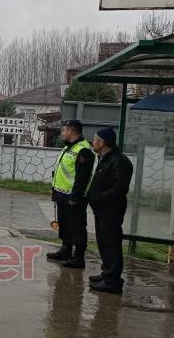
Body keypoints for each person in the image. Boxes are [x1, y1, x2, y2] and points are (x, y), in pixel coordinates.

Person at [87, 127, 134, 294]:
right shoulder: (104, 158)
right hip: (101, 209)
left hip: (111, 210)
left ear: (102, 142)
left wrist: (98, 198)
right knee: (103, 242)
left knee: (111, 244)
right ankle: (106, 273)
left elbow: (119, 189)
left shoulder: (119, 161)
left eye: (95, 139)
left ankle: (113, 281)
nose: (93, 142)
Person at [49, 119, 95, 268]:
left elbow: (82, 177)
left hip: (74, 198)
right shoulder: (68, 148)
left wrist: (75, 196)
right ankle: (65, 250)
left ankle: (78, 257)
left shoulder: (83, 150)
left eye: (64, 130)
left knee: (77, 227)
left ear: (71, 131)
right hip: (62, 195)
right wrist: (54, 189)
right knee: (64, 225)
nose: (62, 133)